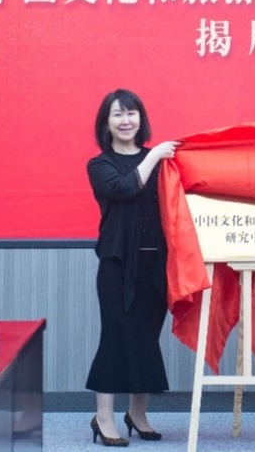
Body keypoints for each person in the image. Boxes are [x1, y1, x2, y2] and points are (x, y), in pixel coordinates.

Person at [85, 89, 180, 447]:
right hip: (117, 266)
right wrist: (155, 154)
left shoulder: (162, 163)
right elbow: (125, 188)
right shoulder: (100, 165)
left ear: (141, 119)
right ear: (106, 123)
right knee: (115, 337)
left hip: (156, 266)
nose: (126, 121)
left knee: (146, 340)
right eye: (118, 114)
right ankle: (103, 417)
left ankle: (137, 415)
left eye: (131, 113)